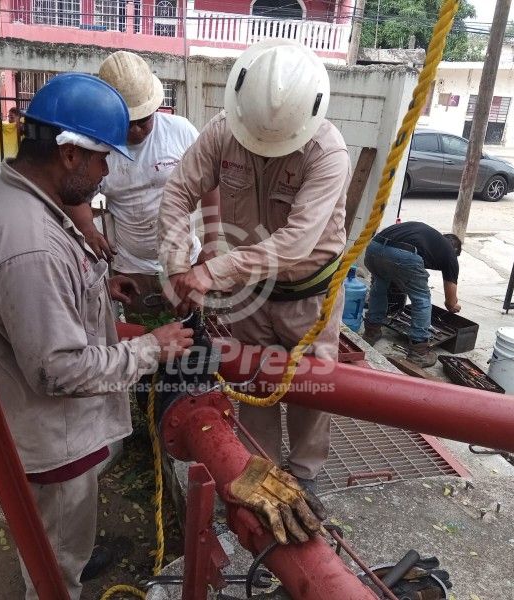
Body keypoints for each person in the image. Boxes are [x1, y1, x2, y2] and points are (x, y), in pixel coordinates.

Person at [0, 73, 194, 599]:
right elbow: (57, 369)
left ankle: (69, 557)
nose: (106, 174)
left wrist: (96, 285)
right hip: (47, 437)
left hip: (22, 417)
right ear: (69, 154)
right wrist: (151, 349)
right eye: (102, 159)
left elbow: (32, 302)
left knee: (55, 536)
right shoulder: (31, 245)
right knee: (54, 564)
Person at [157, 41, 352, 492]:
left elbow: (295, 242)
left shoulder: (327, 154)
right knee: (253, 379)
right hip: (251, 290)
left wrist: (211, 272)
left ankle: (305, 474)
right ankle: (259, 473)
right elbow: (179, 191)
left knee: (310, 388)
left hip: (309, 296)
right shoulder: (222, 131)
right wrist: (178, 264)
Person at [65, 51, 219, 317]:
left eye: (143, 121)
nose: (136, 130)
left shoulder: (180, 132)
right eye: (128, 123)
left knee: (191, 329)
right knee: (144, 332)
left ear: (155, 108)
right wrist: (88, 229)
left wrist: (211, 243)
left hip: (185, 260)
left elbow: (210, 185)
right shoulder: (96, 147)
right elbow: (77, 197)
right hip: (132, 267)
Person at [361, 221, 462, 367]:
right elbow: (450, 303)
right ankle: (419, 353)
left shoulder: (428, 239)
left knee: (379, 287)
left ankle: (371, 332)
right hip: (401, 254)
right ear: (456, 252)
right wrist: (454, 306)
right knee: (422, 299)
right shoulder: (450, 254)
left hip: (374, 247)